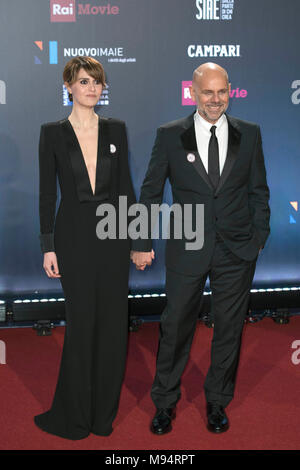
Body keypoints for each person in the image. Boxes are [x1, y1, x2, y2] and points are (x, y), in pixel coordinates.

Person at [131, 62, 270, 434]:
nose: (215, 99)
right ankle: (164, 402)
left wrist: (258, 238)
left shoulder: (250, 134)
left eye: (221, 91)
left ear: (230, 91)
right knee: (175, 326)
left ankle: (217, 401)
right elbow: (151, 191)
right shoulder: (169, 135)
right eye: (207, 92)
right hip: (186, 246)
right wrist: (142, 242)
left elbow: (258, 191)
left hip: (237, 250)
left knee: (228, 329)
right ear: (193, 93)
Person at [34, 56, 136, 440]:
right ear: (69, 87)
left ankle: (102, 417)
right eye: (84, 82)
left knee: (112, 326)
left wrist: (137, 240)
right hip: (73, 237)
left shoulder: (116, 130)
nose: (92, 88)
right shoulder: (52, 133)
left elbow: (125, 188)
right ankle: (74, 415)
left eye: (97, 82)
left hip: (113, 237)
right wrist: (48, 245)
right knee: (82, 325)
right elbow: (47, 194)